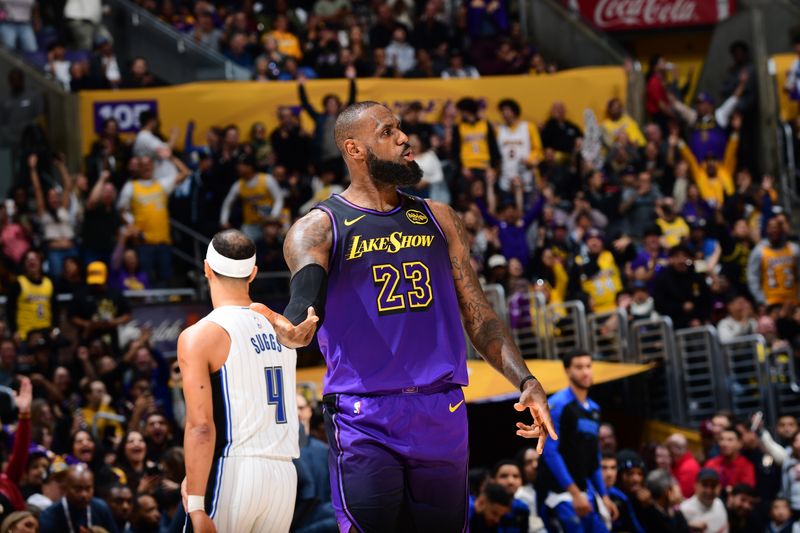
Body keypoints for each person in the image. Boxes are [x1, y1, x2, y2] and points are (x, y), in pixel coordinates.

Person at [249, 101, 555, 532]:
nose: (404, 139)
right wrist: (295, 327)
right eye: (388, 132)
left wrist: (526, 381)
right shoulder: (319, 227)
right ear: (354, 149)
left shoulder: (439, 218)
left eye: (401, 129)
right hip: (364, 415)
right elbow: (305, 298)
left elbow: (478, 314)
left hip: (441, 407)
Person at [179, 230, 299, 532]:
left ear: (206, 268)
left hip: (235, 469)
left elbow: (201, 426)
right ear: (253, 273)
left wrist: (195, 502)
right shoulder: (282, 329)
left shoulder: (200, 335)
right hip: (283, 477)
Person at [538, 350, 618, 532]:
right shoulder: (557, 405)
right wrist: (573, 492)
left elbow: (593, 456)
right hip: (558, 494)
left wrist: (604, 496)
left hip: (583, 492)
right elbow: (550, 452)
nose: (585, 372)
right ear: (567, 370)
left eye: (589, 366)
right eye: (579, 367)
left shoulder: (595, 409)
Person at [219, 153, 285, 242]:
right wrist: (224, 221)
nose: (238, 168)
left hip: (268, 225)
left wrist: (273, 216)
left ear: (250, 167)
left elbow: (279, 199)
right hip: (250, 226)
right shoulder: (238, 185)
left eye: (242, 165)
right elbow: (227, 203)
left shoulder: (267, 179)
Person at [68, 261, 132, 350]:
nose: (96, 285)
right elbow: (72, 316)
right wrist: (87, 324)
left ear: (105, 277)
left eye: (98, 282)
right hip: (88, 337)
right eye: (93, 282)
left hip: (111, 337)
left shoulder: (115, 294)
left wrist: (114, 322)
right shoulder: (80, 294)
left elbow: (127, 314)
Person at [38, 464, 118, 533]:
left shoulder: (101, 508)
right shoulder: (49, 515)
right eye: (78, 489)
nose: (84, 494)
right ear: (65, 488)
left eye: (88, 488)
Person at [748, 217, 800, 308]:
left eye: (776, 227)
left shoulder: (794, 249)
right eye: (771, 227)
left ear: (782, 229)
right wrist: (761, 300)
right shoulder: (759, 251)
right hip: (770, 302)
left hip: (793, 301)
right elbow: (753, 277)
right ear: (766, 230)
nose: (774, 230)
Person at [496, 98, 543, 197]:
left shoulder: (529, 127)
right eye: (502, 111)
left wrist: (530, 159)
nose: (504, 113)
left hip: (526, 176)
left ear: (514, 111)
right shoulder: (499, 130)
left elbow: (538, 149)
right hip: (505, 178)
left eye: (506, 110)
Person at [6, 250, 56, 342]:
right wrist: (14, 331)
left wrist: (55, 330)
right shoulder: (17, 283)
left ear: (41, 262)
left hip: (47, 332)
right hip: (24, 334)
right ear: (24, 264)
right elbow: (9, 310)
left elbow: (55, 309)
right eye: (28, 260)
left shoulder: (49, 282)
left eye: (35, 259)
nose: (32, 261)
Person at [603, 451, 644, 533]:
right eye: (604, 468)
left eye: (613, 468)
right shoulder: (586, 496)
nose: (609, 474)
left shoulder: (621, 498)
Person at [678, 468, 728, 533]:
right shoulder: (684, 509)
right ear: (696, 485)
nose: (709, 491)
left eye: (713, 486)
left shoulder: (719, 503)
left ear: (719, 487)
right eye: (705, 485)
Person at [665, 433, 701, 498]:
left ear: (675, 449)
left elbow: (682, 495)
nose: (667, 452)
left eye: (668, 448)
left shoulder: (689, 467)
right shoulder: (678, 462)